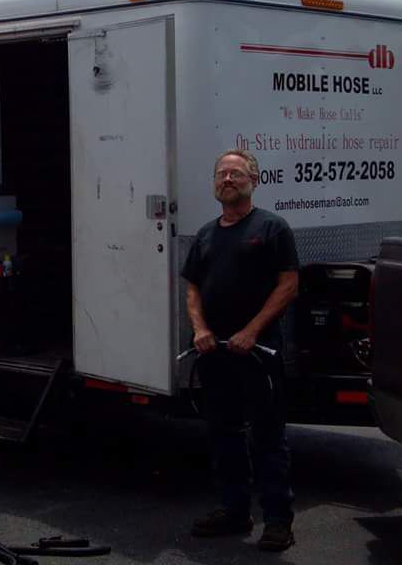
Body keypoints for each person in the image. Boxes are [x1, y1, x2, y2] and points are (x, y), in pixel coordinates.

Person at [179, 149, 299, 552]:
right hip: (216, 354)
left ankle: (279, 521)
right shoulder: (206, 235)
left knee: (267, 437)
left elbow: (288, 285)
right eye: (221, 174)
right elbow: (193, 287)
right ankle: (234, 511)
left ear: (254, 180)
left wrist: (252, 330)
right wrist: (200, 328)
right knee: (224, 434)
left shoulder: (272, 228)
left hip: (258, 353)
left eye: (236, 173)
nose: (227, 179)